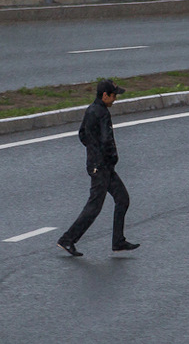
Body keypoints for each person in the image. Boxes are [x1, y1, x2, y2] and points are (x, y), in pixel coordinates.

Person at [57, 79, 140, 257]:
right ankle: (67, 239)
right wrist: (110, 157)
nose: (115, 99)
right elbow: (107, 140)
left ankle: (118, 241)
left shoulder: (90, 110)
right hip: (101, 167)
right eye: (114, 95)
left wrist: (93, 151)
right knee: (94, 207)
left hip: (100, 165)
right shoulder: (102, 113)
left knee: (122, 199)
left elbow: (82, 135)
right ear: (105, 95)